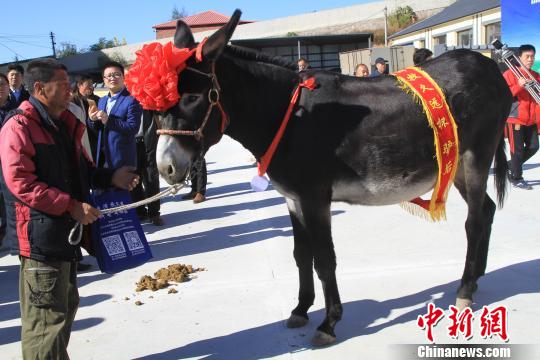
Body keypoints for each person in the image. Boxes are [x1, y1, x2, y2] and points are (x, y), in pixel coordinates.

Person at [0, 58, 139, 359]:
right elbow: (20, 182)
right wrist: (72, 205)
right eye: (62, 86)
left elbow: (83, 169)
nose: (70, 91)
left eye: (70, 85)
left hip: (66, 237)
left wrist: (110, 176)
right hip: (41, 241)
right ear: (39, 88)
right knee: (46, 324)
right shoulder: (19, 126)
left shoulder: (63, 124)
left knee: (63, 309)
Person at [88, 61, 142, 168]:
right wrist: (92, 120)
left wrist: (109, 121)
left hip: (122, 157)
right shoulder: (102, 101)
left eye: (117, 74)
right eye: (108, 76)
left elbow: (133, 128)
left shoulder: (131, 100)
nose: (112, 78)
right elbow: (98, 128)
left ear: (123, 77)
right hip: (103, 156)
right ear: (104, 80)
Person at [503, 44, 540, 190]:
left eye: (532, 56)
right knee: (517, 150)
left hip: (531, 120)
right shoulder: (510, 74)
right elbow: (504, 95)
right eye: (527, 56)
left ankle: (510, 166)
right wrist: (518, 86)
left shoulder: (536, 76)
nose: (530, 59)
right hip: (516, 119)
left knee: (533, 147)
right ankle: (516, 177)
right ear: (519, 58)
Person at [132, 110, 164, 225]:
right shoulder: (125, 99)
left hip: (148, 141)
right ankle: (140, 211)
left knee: (151, 178)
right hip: (131, 144)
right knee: (134, 180)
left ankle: (154, 213)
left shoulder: (147, 99)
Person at [0, 73, 17, 251]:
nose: (0, 88)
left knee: (10, 212)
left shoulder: (16, 109)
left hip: (11, 168)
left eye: (2, 84)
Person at [72, 75, 100, 159]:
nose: (91, 87)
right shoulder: (72, 102)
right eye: (89, 85)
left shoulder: (96, 100)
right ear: (79, 85)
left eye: (92, 84)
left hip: (94, 139)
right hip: (80, 140)